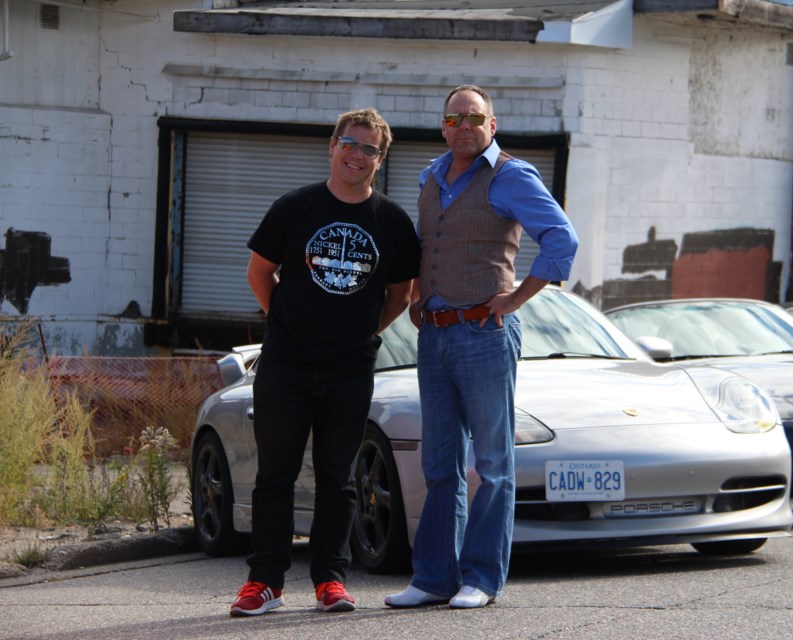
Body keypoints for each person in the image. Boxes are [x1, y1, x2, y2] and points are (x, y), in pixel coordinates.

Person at [385, 85, 579, 609]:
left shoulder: (512, 175)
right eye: (455, 117)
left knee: (492, 462)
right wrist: (420, 293)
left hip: (484, 334)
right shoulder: (430, 175)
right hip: (435, 334)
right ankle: (432, 578)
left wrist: (517, 297)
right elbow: (427, 243)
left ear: (492, 125)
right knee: (439, 463)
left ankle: (482, 578)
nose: (464, 125)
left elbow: (562, 238)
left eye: (475, 116)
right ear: (443, 125)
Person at [230, 108, 421, 616]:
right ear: (332, 146)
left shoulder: (392, 222)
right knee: (276, 474)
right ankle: (264, 583)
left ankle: (329, 582)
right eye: (350, 144)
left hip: (350, 370)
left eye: (370, 149)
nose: (357, 155)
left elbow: (400, 295)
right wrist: (289, 322)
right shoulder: (295, 208)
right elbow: (259, 273)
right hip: (286, 367)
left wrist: (359, 333)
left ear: (381, 159)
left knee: (339, 480)